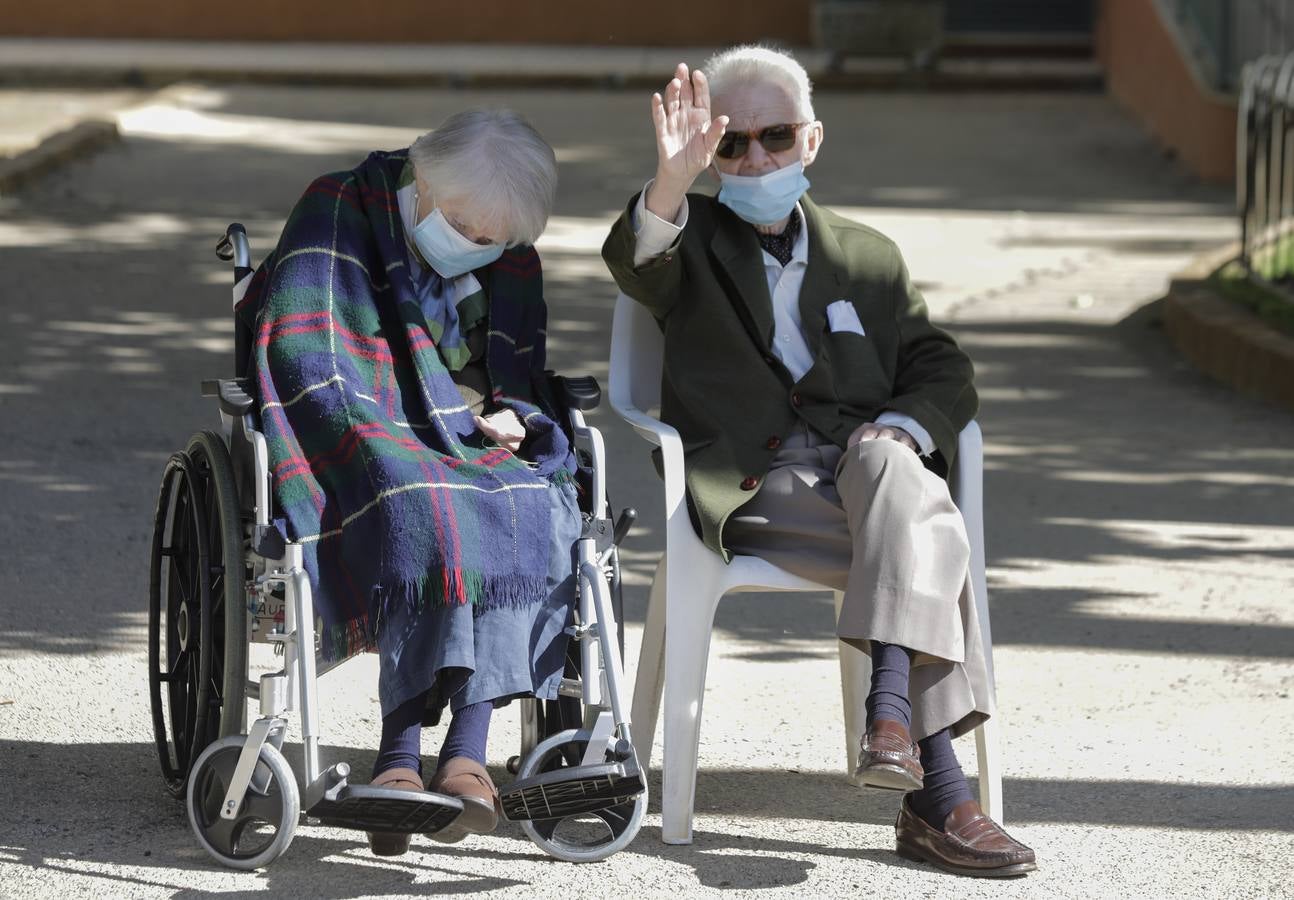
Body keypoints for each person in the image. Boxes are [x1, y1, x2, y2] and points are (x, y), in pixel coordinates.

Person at [602, 46, 1036, 878]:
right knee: (930, 538)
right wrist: (671, 178)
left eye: (776, 136)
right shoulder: (689, 244)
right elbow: (636, 257)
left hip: (865, 482)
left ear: (812, 141)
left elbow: (941, 366)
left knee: (896, 474)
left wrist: (904, 425)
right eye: (732, 144)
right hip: (754, 487)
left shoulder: (868, 255)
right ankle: (937, 787)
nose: (755, 158)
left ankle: (894, 728)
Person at [247, 109, 580, 856]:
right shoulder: (337, 207)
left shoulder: (507, 247)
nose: (480, 249)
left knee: (526, 499)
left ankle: (467, 758)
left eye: (496, 242)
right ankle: (398, 762)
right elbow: (307, 350)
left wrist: (508, 412)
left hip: (464, 431)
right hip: (361, 416)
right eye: (467, 229)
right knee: (425, 502)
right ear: (422, 183)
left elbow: (517, 374)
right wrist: (422, 423)